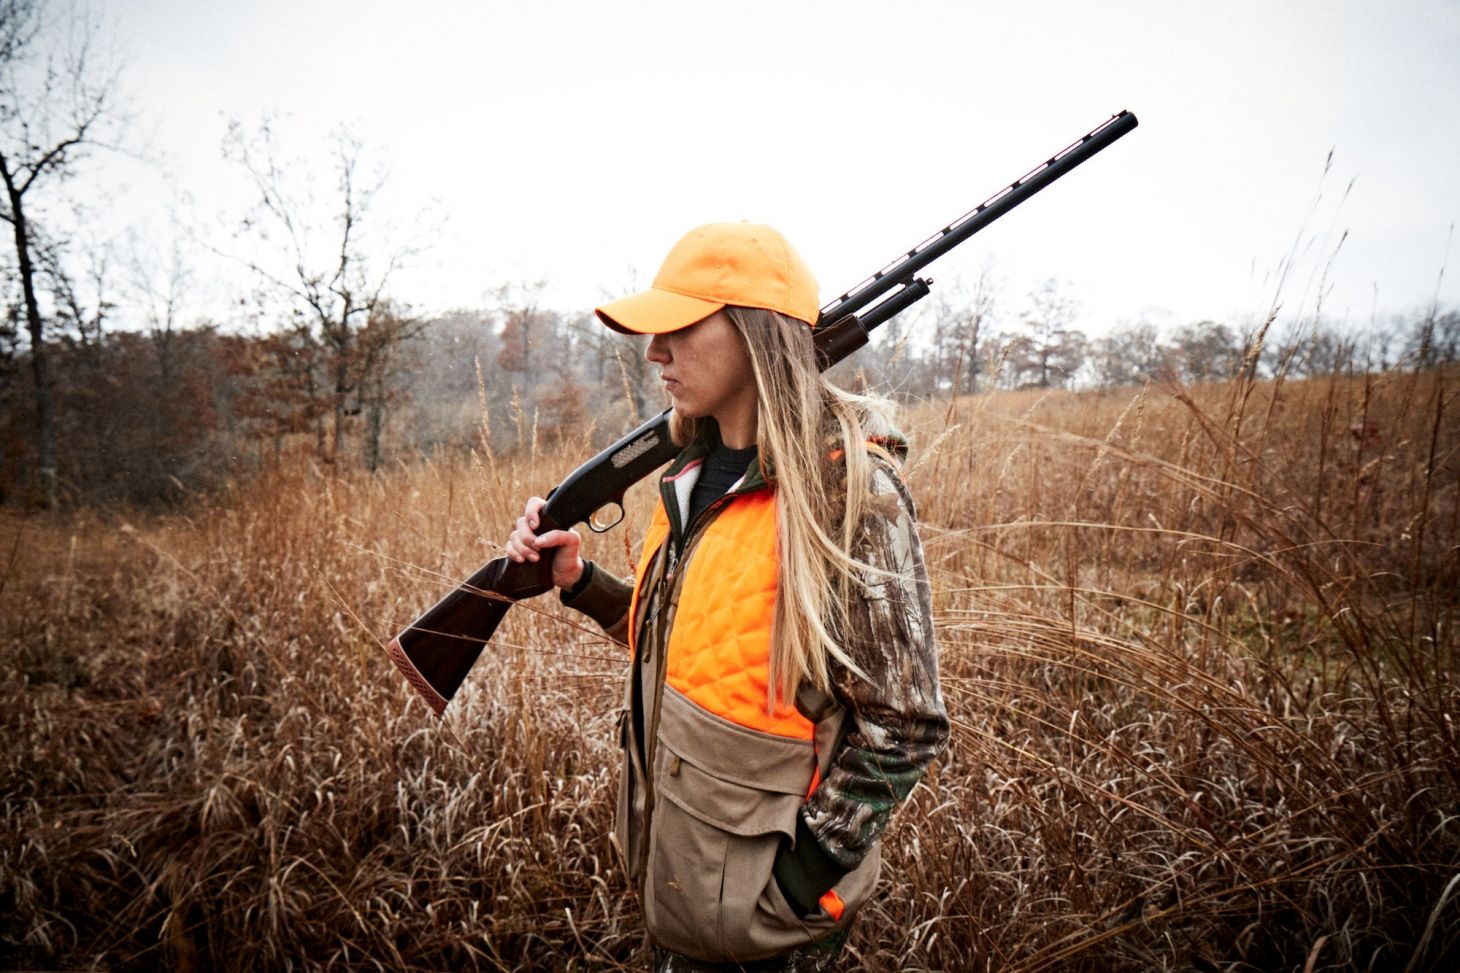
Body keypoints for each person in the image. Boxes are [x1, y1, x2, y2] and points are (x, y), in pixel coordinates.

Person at [505, 222, 948, 971]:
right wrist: (580, 582)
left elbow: (905, 724)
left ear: (753, 334)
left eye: (678, 327)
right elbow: (696, 646)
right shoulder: (690, 472)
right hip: (676, 889)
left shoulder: (849, 492)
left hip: (766, 934)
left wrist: (792, 883)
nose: (655, 352)